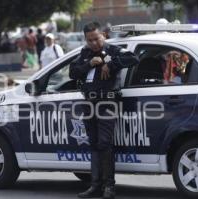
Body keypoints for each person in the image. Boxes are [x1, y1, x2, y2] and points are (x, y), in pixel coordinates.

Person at [69, 22, 139, 199]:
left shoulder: (113, 50)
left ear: (104, 36)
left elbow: (133, 58)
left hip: (106, 102)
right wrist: (90, 64)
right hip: (89, 102)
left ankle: (109, 187)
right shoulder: (85, 53)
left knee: (104, 143)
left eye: (96, 38)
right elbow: (73, 73)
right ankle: (95, 186)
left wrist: (111, 64)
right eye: (89, 40)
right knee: (93, 143)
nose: (93, 43)